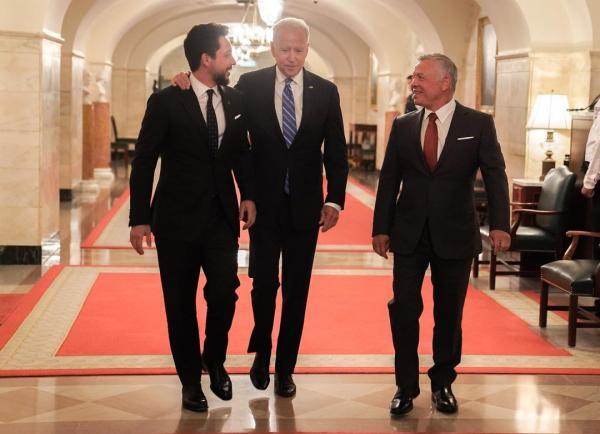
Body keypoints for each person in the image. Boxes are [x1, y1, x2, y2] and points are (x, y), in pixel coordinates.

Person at [172, 17, 348, 398]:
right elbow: (219, 108)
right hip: (264, 206)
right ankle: (262, 350)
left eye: (298, 50)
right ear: (272, 48)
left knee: (297, 290)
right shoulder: (250, 86)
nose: (291, 57)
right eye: (285, 49)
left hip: (306, 208)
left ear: (307, 48)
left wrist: (334, 198)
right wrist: (183, 80)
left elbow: (336, 151)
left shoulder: (325, 91)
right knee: (263, 285)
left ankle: (285, 368)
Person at [372, 53, 510, 416]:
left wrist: (500, 224)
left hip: (456, 233)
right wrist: (381, 228)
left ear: (445, 82)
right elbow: (389, 180)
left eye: (420, 77)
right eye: (413, 76)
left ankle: (443, 382)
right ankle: (405, 386)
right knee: (403, 308)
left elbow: (495, 175)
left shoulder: (478, 123)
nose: (413, 83)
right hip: (409, 233)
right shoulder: (404, 125)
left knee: (449, 313)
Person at [129, 23, 256, 412]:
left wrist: (248, 194)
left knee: (225, 291)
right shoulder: (166, 101)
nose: (232, 60)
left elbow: (240, 153)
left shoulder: (236, 100)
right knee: (179, 303)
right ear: (206, 59)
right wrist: (139, 218)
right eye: (226, 53)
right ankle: (189, 381)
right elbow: (144, 160)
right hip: (175, 220)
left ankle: (213, 358)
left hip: (221, 217)